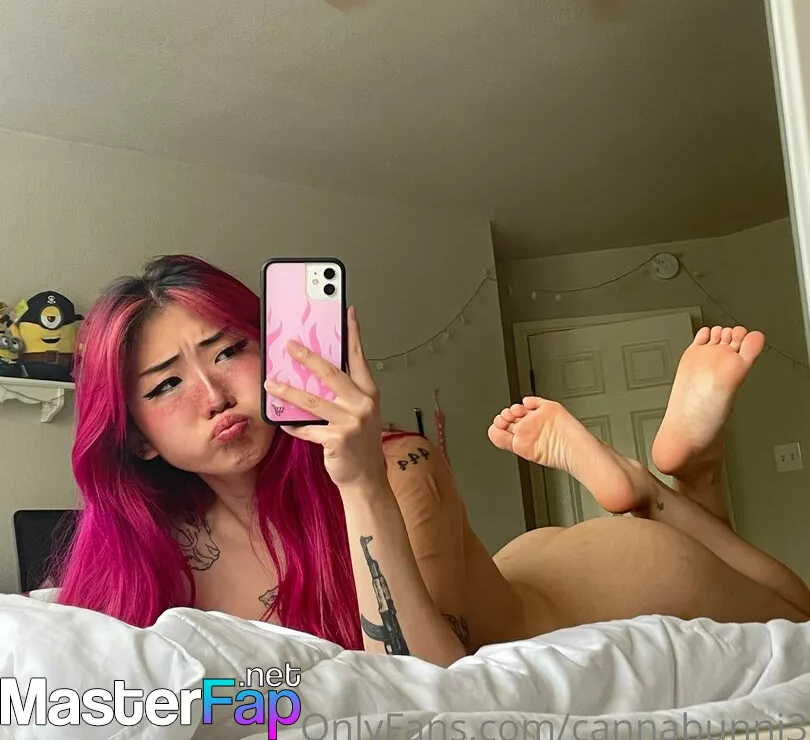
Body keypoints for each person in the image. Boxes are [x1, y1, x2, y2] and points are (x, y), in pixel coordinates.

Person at [53, 255, 810, 668]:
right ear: (137, 436)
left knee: (795, 608)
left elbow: (429, 682)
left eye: (229, 352)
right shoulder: (148, 554)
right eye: (167, 384)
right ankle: (655, 482)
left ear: (275, 350)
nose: (214, 393)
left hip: (610, 585)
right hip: (512, 573)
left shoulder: (399, 466)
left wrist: (358, 480)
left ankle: (669, 481)